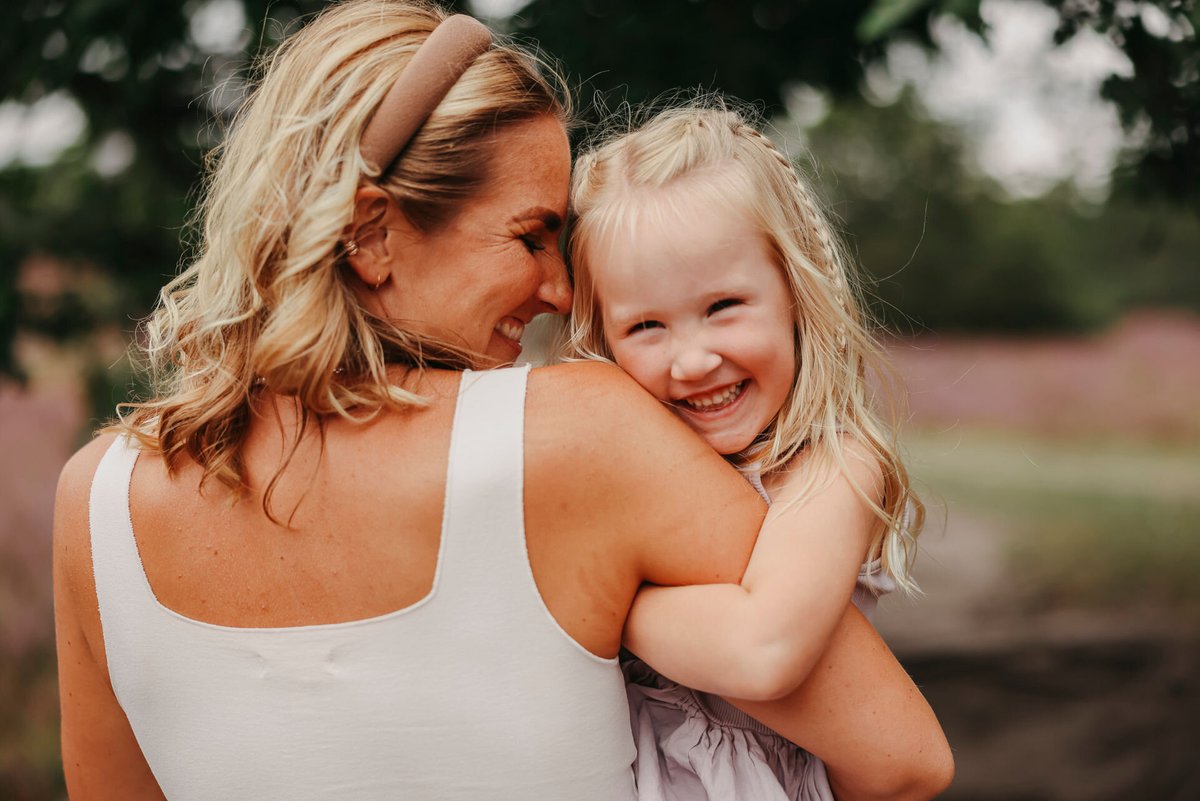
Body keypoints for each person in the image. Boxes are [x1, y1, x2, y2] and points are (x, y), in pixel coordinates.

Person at [51, 2, 952, 800]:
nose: (562, 292)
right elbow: (903, 759)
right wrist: (613, 607)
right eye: (533, 235)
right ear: (370, 235)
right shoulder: (581, 431)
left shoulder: (94, 503)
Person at [564, 101, 932, 800]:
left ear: (795, 293)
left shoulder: (833, 466)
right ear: (603, 339)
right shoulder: (624, 466)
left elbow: (763, 651)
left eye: (723, 306)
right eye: (646, 325)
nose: (694, 359)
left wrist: (586, 590)